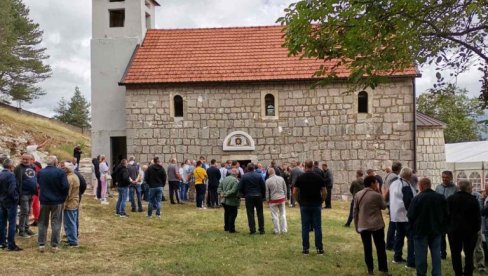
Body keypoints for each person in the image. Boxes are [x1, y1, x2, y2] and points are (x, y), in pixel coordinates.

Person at [407, 177, 448, 276]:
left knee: (420, 255)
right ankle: (437, 273)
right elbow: (446, 214)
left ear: (421, 186)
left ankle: (421, 273)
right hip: (436, 230)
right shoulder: (441, 197)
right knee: (436, 254)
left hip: (420, 230)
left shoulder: (417, 198)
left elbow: (410, 216)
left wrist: (412, 230)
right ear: (430, 185)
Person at [353, 175, 390, 276]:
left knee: (367, 248)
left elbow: (355, 211)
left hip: (363, 225)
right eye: (376, 183)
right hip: (376, 225)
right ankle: (383, 269)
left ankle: (370, 270)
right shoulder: (376, 195)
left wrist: (356, 225)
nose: (377, 184)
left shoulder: (357, 195)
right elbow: (383, 206)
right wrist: (380, 192)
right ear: (372, 183)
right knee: (380, 247)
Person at [448, 179, 481, 276]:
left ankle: (458, 272)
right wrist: (476, 229)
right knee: (469, 254)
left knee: (455, 253)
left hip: (454, 230)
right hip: (469, 231)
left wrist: (448, 228)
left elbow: (446, 215)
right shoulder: (473, 200)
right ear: (468, 187)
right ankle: (468, 272)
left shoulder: (450, 199)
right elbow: (477, 217)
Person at [293, 160, 327, 255]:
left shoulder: (300, 178)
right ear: (312, 166)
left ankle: (305, 249)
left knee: (305, 227)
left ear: (304, 166)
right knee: (317, 227)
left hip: (304, 204)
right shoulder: (318, 177)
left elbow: (295, 192)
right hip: (316, 204)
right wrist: (322, 201)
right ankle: (319, 249)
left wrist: (298, 201)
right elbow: (324, 192)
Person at [37, 156, 69, 253]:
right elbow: (65, 186)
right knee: (56, 223)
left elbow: (38, 184)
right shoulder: (60, 172)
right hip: (57, 201)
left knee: (42, 222)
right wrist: (62, 197)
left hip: (44, 201)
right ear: (56, 163)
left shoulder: (41, 172)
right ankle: (54, 245)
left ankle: (41, 244)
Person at [389, 167, 416, 267]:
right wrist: (413, 213)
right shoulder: (405, 184)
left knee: (399, 237)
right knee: (411, 238)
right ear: (409, 175)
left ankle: (397, 257)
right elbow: (408, 201)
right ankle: (410, 261)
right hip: (405, 216)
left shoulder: (394, 183)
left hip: (396, 215)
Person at [0, 159, 22, 251]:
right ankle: (11, 244)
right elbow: (12, 189)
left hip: (1, 201)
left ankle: (1, 242)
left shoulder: (0, 174)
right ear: (10, 166)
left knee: (2, 222)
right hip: (10, 202)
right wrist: (16, 199)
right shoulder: (11, 175)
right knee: (12, 223)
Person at [435, 170, 458, 260]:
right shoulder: (438, 187)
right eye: (443, 177)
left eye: (446, 177)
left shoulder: (455, 188)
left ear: (451, 178)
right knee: (441, 236)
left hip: (451, 216)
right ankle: (442, 254)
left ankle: (454, 254)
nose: (444, 179)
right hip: (441, 216)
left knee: (452, 237)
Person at [14, 153, 37, 238]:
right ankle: (22, 231)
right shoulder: (18, 168)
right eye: (23, 159)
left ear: (31, 160)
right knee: (24, 212)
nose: (24, 160)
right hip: (23, 194)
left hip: (31, 193)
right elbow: (16, 182)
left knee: (28, 212)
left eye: (27, 159)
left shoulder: (32, 167)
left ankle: (27, 228)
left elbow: (34, 178)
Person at [239, 163, 266, 234]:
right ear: (254, 168)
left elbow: (240, 187)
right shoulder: (259, 175)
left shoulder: (244, 176)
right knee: (260, 213)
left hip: (249, 196)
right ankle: (261, 229)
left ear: (247, 168)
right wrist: (263, 196)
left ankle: (252, 230)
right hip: (258, 195)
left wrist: (244, 194)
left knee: (250, 213)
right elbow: (263, 186)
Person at [383, 162, 401, 251]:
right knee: (393, 223)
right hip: (392, 202)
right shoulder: (395, 177)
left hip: (389, 201)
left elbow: (384, 187)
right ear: (399, 169)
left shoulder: (388, 175)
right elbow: (391, 190)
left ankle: (390, 243)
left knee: (393, 223)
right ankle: (390, 243)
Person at [62, 162, 80, 247]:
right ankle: (71, 238)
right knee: (72, 221)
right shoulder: (74, 176)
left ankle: (73, 241)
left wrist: (64, 204)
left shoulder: (69, 178)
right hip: (75, 201)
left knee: (70, 222)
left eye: (64, 168)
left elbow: (67, 193)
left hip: (70, 203)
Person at [265, 168, 288, 234]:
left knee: (274, 216)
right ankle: (284, 230)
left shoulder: (267, 181)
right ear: (274, 172)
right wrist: (286, 196)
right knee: (283, 214)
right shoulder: (281, 178)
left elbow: (267, 191)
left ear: (269, 173)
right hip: (281, 198)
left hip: (273, 200)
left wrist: (267, 199)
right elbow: (285, 188)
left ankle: (277, 230)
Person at [217, 168, 240, 233]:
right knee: (232, 215)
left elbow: (219, 187)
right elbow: (233, 191)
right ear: (237, 173)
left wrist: (221, 193)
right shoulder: (236, 181)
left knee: (226, 214)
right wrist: (225, 194)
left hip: (224, 201)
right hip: (232, 200)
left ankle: (226, 227)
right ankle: (231, 229)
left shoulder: (225, 179)